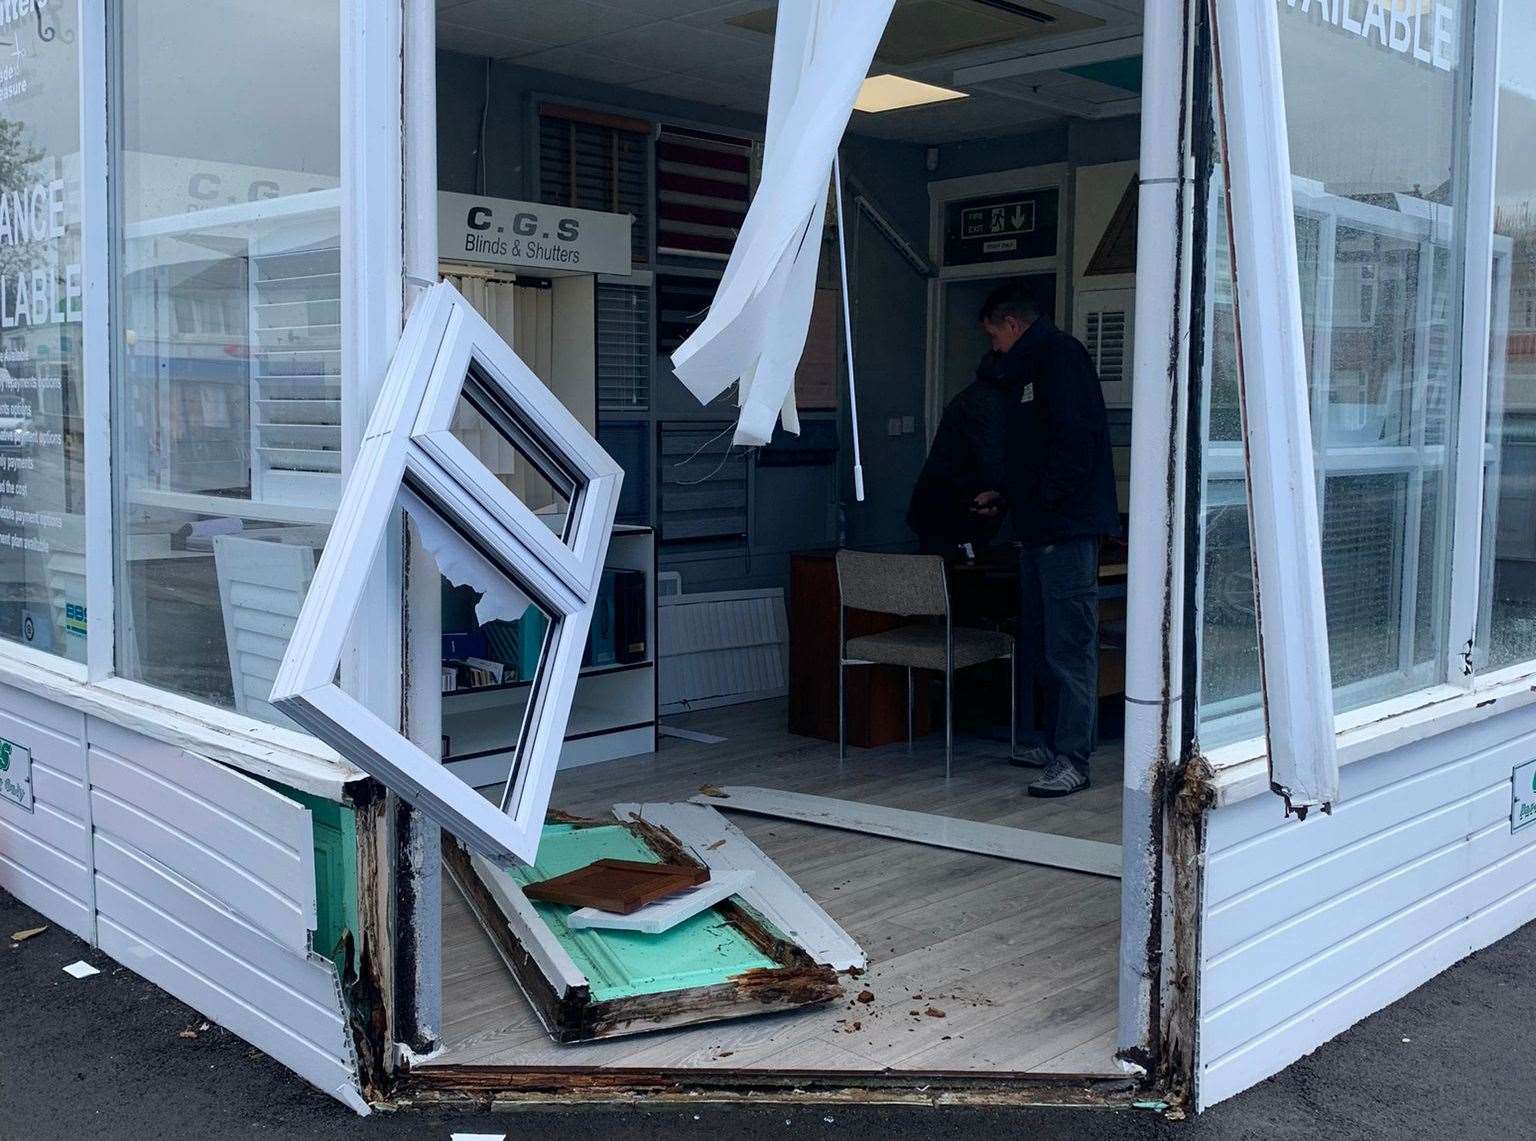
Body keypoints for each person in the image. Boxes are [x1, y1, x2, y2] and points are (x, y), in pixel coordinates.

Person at [970, 282, 1119, 798]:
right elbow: (1034, 454)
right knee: (1039, 642)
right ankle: (1049, 741)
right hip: (1039, 530)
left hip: (1065, 530)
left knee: (1068, 647)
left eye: (995, 336)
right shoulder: (1026, 370)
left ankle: (1072, 757)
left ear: (1012, 324)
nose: (993, 348)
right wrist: (1009, 499)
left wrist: (1044, 503)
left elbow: (1074, 447)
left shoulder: (1060, 358)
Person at [906, 351, 1011, 560]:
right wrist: (1006, 492)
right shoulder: (989, 403)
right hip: (955, 510)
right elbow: (992, 457)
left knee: (947, 575)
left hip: (945, 506)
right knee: (960, 575)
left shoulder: (977, 397)